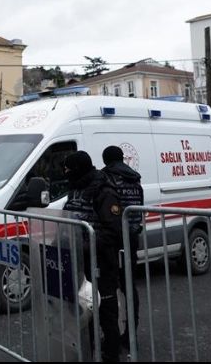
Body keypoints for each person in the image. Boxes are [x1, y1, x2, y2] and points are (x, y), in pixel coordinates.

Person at [63, 151, 123, 362]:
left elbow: (112, 231)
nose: (65, 173)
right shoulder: (75, 190)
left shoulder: (104, 192)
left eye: (68, 169)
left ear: (78, 169)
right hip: (81, 264)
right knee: (84, 310)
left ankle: (111, 355)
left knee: (106, 312)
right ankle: (89, 352)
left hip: (102, 264)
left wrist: (84, 245)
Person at [101, 145, 144, 354]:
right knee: (129, 286)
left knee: (109, 288)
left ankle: (110, 337)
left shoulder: (107, 178)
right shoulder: (135, 179)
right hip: (132, 237)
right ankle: (131, 333)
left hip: (113, 240)